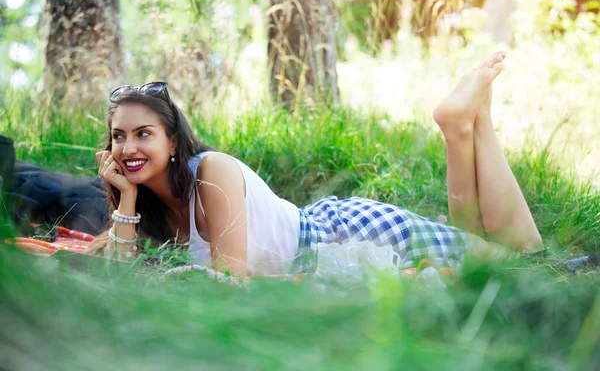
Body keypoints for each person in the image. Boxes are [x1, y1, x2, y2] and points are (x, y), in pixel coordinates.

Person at [91, 52, 544, 277]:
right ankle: (463, 127)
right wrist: (126, 198)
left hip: (348, 237)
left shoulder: (213, 171)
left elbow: (232, 279)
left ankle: (471, 121)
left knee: (526, 265)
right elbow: (120, 280)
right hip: (330, 262)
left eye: (143, 133)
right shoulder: (151, 207)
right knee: (483, 271)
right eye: (118, 136)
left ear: (173, 142)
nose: (128, 147)